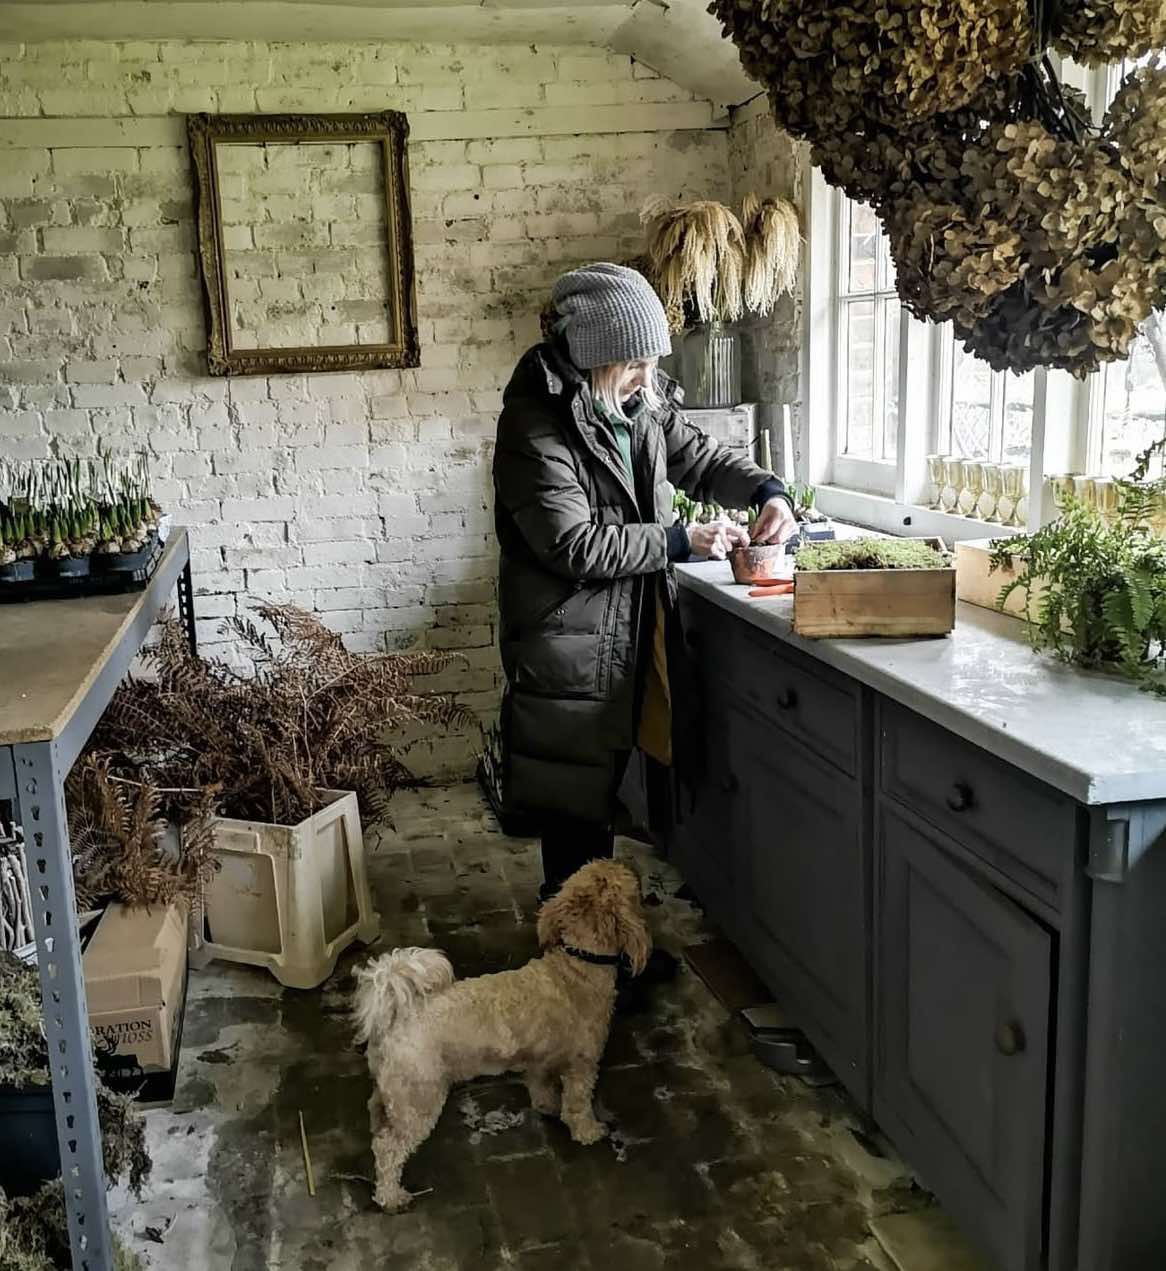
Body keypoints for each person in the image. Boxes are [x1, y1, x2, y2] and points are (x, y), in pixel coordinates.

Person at [493, 262, 797, 986]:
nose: (647, 375)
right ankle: (577, 974)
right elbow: (571, 544)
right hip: (567, 640)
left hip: (621, 630)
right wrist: (675, 540)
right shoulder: (535, 422)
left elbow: (693, 455)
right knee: (575, 813)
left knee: (601, 804)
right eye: (634, 362)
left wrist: (765, 486)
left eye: (651, 361)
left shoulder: (635, 401)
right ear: (593, 355)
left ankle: (603, 956)